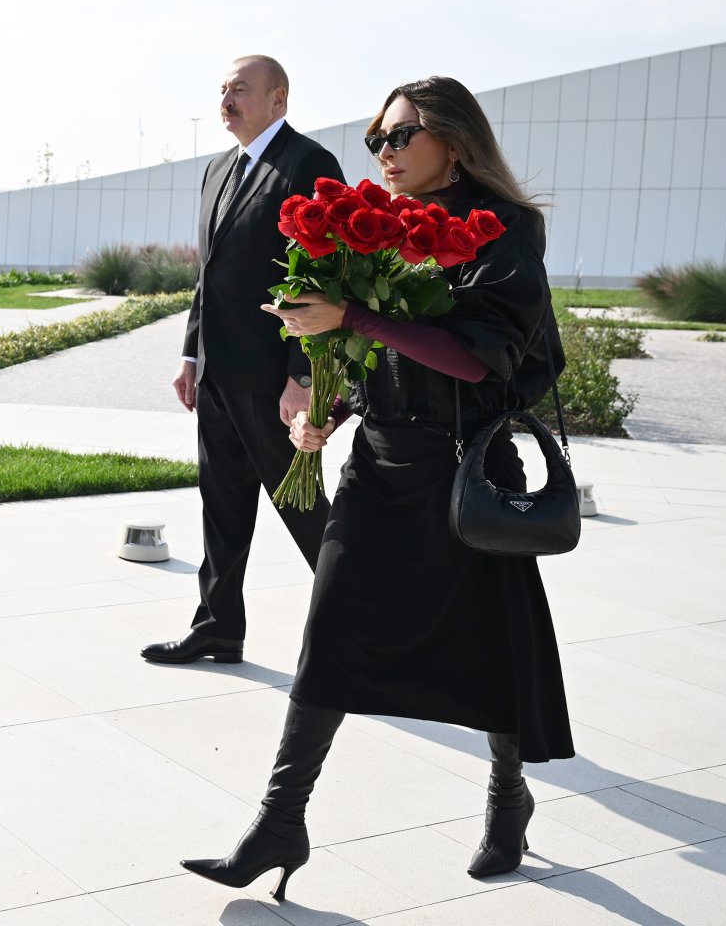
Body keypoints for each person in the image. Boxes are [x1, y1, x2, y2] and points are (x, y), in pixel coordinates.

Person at [180, 76, 574, 897]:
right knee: (329, 635)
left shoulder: (502, 233)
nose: (385, 154)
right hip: (378, 468)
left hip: (463, 469)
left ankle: (508, 799)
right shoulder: (386, 232)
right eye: (377, 140)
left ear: (452, 141)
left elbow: (476, 358)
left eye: (400, 137)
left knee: (490, 648)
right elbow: (386, 349)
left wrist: (353, 319)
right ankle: (279, 823)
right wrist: (329, 410)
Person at [142, 55, 344, 667]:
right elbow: (211, 275)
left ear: (278, 99)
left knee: (304, 509)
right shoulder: (217, 170)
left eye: (241, 90)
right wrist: (189, 353)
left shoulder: (309, 164)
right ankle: (218, 628)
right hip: (218, 375)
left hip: (271, 380)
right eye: (223, 90)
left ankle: (362, 628)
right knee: (222, 506)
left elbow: (323, 274)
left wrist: (302, 376)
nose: (227, 100)